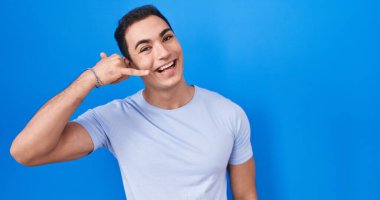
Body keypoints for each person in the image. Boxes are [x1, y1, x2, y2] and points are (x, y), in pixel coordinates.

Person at [10, 5, 258, 200]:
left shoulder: (229, 113)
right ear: (129, 65)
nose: (163, 53)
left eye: (167, 37)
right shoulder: (113, 119)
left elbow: (246, 195)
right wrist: (91, 78)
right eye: (145, 48)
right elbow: (25, 152)